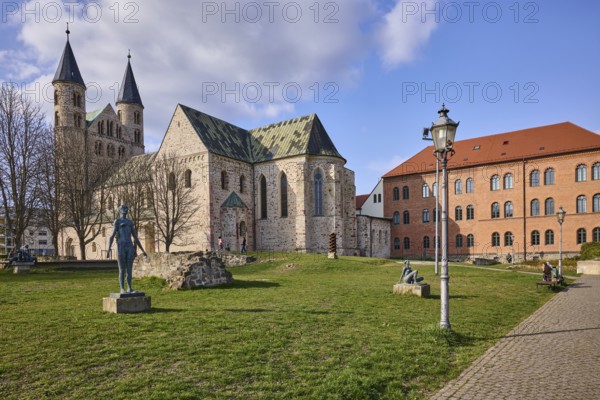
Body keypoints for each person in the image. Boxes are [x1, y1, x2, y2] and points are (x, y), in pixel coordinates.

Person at [107, 205, 147, 294]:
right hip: (121, 246)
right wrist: (108, 249)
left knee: (129, 269)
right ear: (119, 210)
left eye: (126, 208)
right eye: (122, 208)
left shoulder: (130, 222)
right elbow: (112, 236)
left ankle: (129, 288)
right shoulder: (117, 221)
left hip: (129, 247)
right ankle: (122, 289)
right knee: (122, 269)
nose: (125, 210)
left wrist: (143, 250)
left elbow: (135, 237)